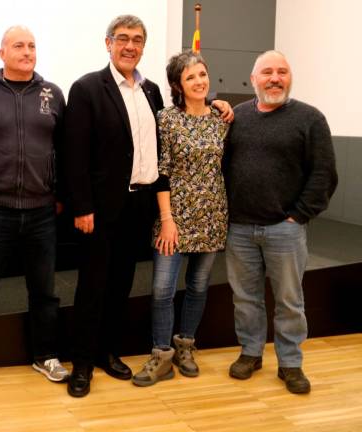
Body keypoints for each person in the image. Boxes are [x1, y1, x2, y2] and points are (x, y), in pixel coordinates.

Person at [64, 14, 232, 398]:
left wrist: (218, 103)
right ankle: (83, 364)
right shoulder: (88, 87)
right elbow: (74, 153)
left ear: (143, 46)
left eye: (137, 39)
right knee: (92, 286)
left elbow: (177, 128)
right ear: (108, 43)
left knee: (121, 285)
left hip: (139, 206)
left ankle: (108, 352)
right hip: (100, 208)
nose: (130, 45)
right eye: (122, 38)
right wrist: (82, 206)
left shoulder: (153, 91)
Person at [0, 25, 68, 389]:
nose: (27, 51)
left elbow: (65, 150)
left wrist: (60, 193)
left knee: (45, 292)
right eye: (18, 45)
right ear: (1, 53)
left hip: (41, 212)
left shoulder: (53, 94)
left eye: (32, 46)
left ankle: (46, 356)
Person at [224, 50, 337, 394]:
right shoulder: (236, 117)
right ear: (253, 79)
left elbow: (324, 174)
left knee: (290, 300)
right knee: (245, 298)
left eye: (282, 72)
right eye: (268, 72)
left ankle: (290, 363)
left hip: (284, 229)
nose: (276, 78)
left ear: (290, 78)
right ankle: (251, 352)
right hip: (240, 228)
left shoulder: (310, 119)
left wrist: (298, 215)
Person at [131, 51, 229, 387]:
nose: (199, 81)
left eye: (202, 74)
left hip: (211, 216)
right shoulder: (166, 119)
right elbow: (162, 172)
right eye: (191, 77)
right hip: (172, 217)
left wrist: (224, 105)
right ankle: (162, 355)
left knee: (199, 286)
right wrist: (167, 219)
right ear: (178, 85)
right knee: (162, 290)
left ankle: (186, 345)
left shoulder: (222, 119)